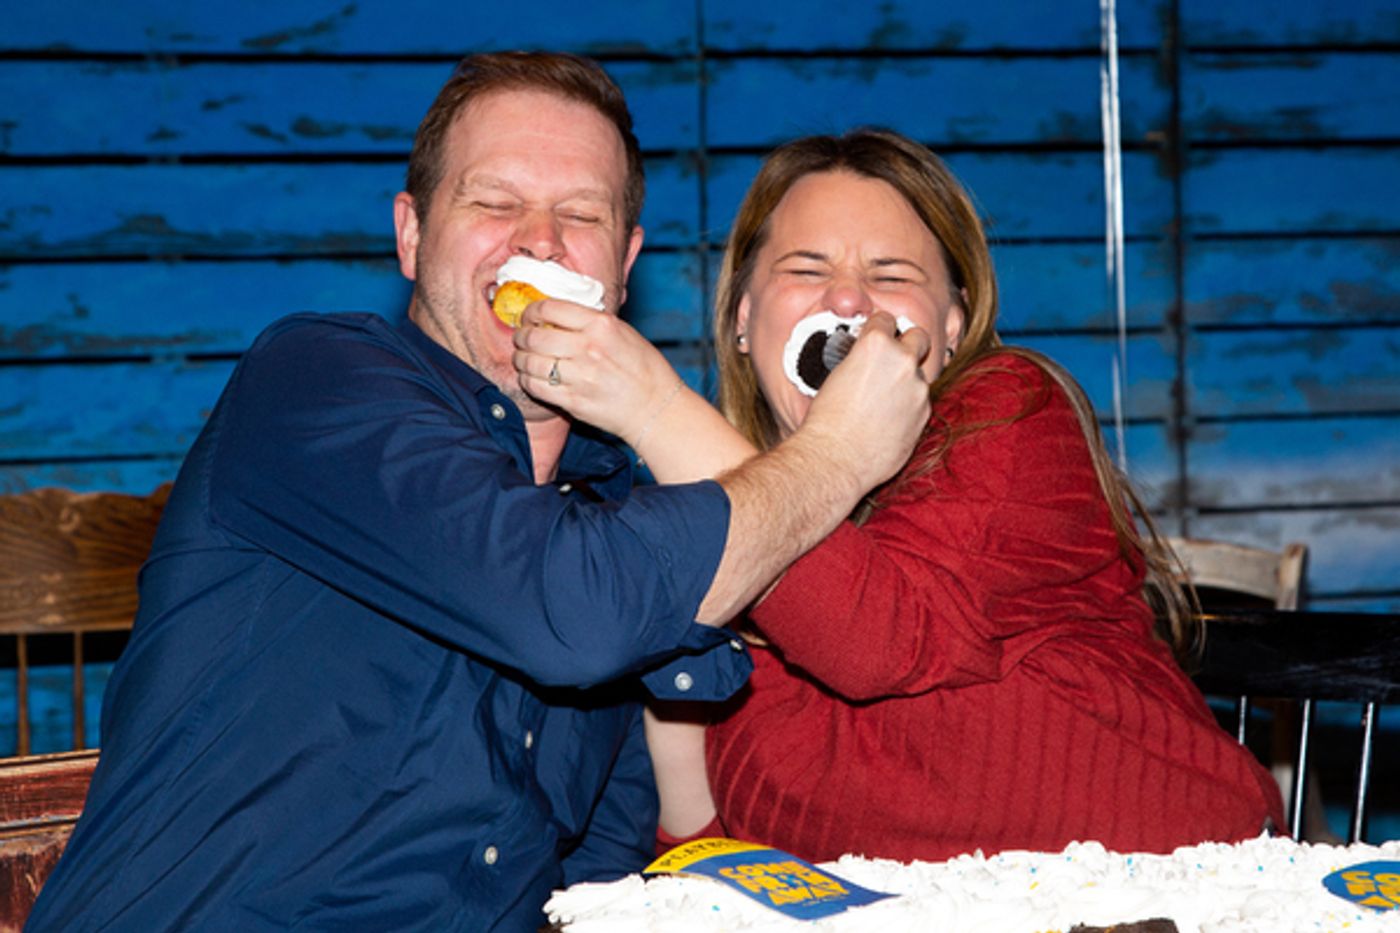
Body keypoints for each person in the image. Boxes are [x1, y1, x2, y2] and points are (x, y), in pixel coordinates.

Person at [25, 57, 935, 932]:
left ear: (622, 266)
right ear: (412, 235)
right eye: (494, 203)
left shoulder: (614, 515)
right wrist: (841, 453)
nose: (539, 241)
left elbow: (600, 873)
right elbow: (571, 607)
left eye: (579, 214)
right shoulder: (317, 379)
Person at [512, 128, 1287, 865]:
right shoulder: (696, 529)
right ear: (745, 320)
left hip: (1179, 890)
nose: (849, 302)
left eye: (891, 276)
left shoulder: (1011, 411)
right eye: (807, 269)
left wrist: (653, 406)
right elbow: (708, 845)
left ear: (950, 328)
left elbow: (875, 637)